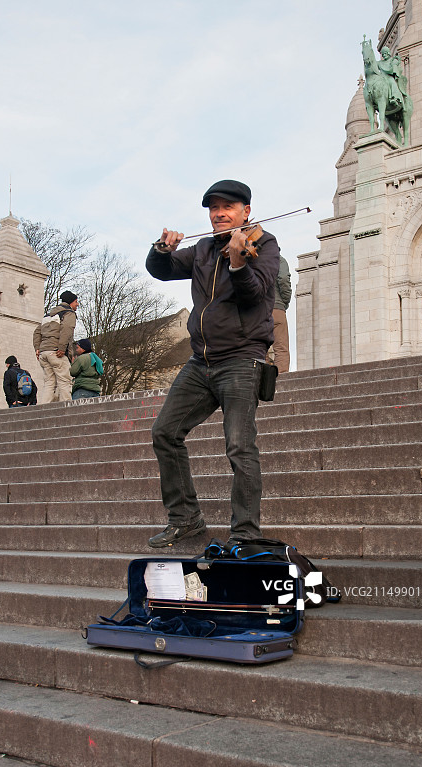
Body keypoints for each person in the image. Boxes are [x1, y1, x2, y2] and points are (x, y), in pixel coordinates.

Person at [145, 179, 280, 548]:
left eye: (228, 207)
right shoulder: (204, 248)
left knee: (239, 446)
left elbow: (255, 294)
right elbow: (162, 269)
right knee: (165, 432)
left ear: (246, 212)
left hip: (241, 359)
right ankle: (185, 519)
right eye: (213, 208)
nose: (219, 213)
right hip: (200, 361)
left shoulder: (264, 244)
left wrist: (238, 261)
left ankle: (245, 533)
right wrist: (161, 248)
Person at [33, 291, 78, 403]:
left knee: (49, 383)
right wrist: (62, 348)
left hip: (44, 353)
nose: (77, 304)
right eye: (76, 302)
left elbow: (37, 332)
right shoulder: (69, 313)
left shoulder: (48, 316)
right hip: (56, 352)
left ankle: (43, 409)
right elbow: (67, 330)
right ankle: (67, 409)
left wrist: (37, 348)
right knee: (65, 381)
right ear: (71, 302)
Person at [269, 255, 292, 373]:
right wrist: (284, 302)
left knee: (257, 350)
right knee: (281, 349)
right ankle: (281, 383)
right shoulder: (278, 259)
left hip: (255, 312)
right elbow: (283, 279)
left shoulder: (250, 259)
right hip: (276, 308)